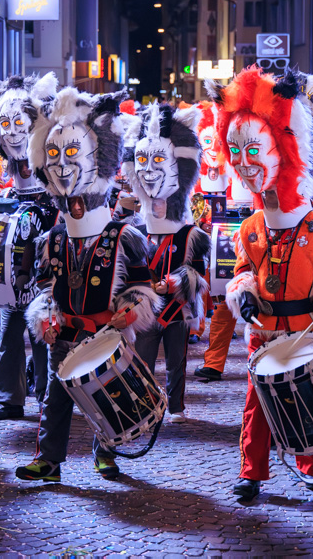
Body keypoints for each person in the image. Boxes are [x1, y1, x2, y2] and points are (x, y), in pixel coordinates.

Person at [208, 67, 313, 499]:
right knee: (257, 404)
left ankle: (309, 462)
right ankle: (251, 472)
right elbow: (242, 270)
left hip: (305, 330)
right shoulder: (250, 226)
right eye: (235, 151)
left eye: (252, 149)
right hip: (264, 331)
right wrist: (243, 294)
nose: (242, 163)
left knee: (305, 399)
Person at [15, 88, 158, 484]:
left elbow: (143, 284)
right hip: (66, 331)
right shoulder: (52, 240)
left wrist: (132, 308)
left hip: (107, 331)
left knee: (107, 397)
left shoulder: (124, 236)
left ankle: (106, 453)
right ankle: (48, 459)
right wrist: (45, 316)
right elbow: (46, 287)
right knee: (55, 398)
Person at [123, 102, 210, 423]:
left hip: (176, 308)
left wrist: (173, 283)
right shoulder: (134, 232)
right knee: (142, 360)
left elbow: (200, 276)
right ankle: (145, 404)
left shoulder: (191, 234)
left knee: (176, 361)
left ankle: (176, 407)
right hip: (148, 309)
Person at [0, 73, 60, 421]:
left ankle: (46, 397)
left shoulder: (51, 178)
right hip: (13, 280)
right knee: (10, 336)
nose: (12, 131)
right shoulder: (7, 182)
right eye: (5, 124)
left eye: (19, 123)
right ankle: (10, 398)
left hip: (42, 278)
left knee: (43, 334)